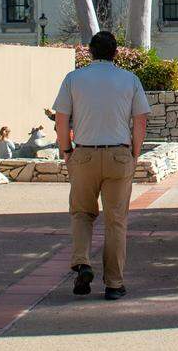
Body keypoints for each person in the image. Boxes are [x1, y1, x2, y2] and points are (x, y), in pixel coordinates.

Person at [52, 31, 151, 301]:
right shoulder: (129, 80)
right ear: (116, 53)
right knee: (115, 221)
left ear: (90, 52)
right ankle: (114, 284)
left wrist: (66, 150)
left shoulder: (74, 79)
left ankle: (82, 262)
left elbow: (62, 119)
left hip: (84, 154)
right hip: (119, 154)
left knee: (82, 214)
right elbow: (140, 120)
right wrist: (134, 152)